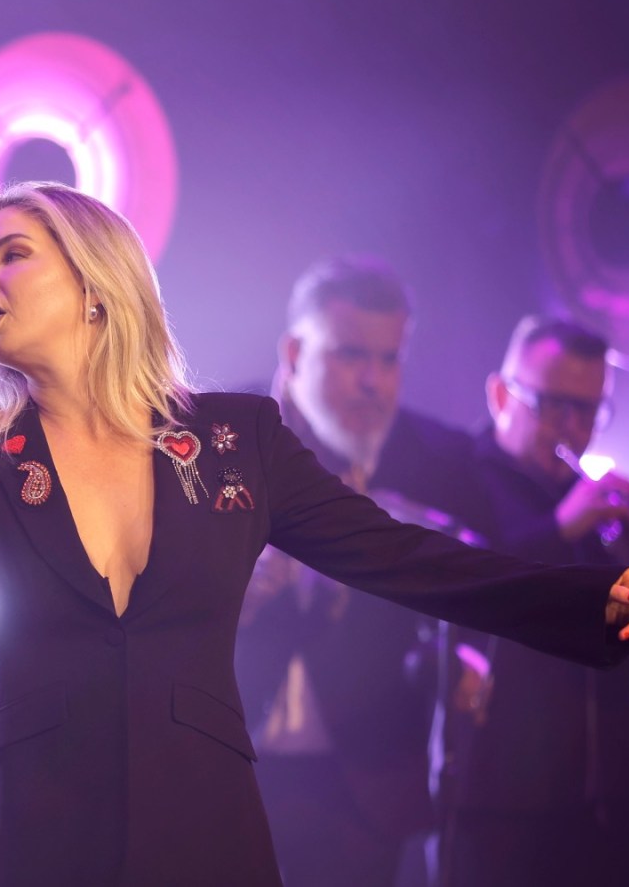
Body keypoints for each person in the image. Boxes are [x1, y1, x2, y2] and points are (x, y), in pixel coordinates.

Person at [0, 181, 629, 886]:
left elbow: (398, 555)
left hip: (200, 816)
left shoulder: (232, 441)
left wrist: (583, 600)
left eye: (11, 253)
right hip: (30, 820)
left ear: (96, 284)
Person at [235, 257, 492, 887]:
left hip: (367, 781)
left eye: (390, 359)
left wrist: (469, 657)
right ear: (294, 353)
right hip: (230, 766)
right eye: (350, 355)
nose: (374, 382)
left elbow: (482, 575)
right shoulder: (222, 437)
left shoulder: (435, 457)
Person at [439, 315, 629, 887]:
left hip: (610, 816)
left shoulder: (597, 513)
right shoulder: (458, 480)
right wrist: (560, 528)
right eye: (554, 406)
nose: (574, 430)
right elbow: (473, 594)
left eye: (590, 411)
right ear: (501, 395)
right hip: (501, 812)